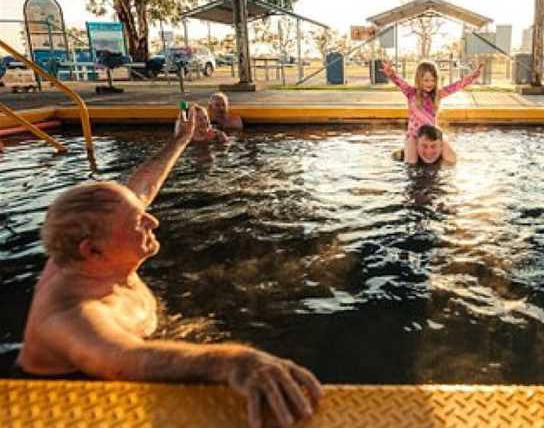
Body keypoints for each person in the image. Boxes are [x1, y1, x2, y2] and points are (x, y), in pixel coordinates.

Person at [14, 105, 322, 428]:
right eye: (138, 221)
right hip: (75, 409)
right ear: (92, 250)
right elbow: (124, 359)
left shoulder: (88, 253)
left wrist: (181, 141)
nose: (152, 220)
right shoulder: (72, 315)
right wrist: (236, 363)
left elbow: (142, 190)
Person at [382, 59, 484, 163]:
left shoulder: (438, 95)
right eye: (426, 80)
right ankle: (406, 152)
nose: (430, 83)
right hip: (414, 135)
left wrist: (473, 76)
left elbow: (457, 86)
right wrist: (391, 75)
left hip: (432, 135)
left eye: (433, 80)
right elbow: (399, 82)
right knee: (411, 162)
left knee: (452, 159)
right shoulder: (411, 93)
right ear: (419, 80)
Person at [391, 125, 457, 166]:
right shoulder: (401, 156)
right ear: (416, 145)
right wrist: (410, 165)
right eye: (424, 146)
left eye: (434, 146)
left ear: (441, 146)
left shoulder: (445, 156)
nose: (429, 151)